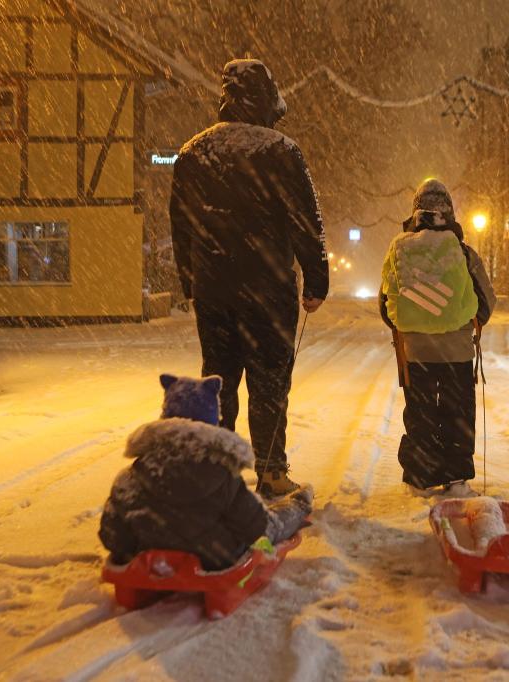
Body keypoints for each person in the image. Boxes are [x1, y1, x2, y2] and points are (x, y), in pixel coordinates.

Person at [169, 59, 328, 497]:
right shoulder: (280, 151)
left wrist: (190, 282)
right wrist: (316, 280)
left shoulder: (192, 154)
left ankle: (220, 467)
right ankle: (272, 470)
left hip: (214, 289)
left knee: (218, 378)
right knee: (270, 381)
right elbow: (305, 221)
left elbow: (180, 226)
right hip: (268, 288)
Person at [98, 374, 313, 570]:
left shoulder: (131, 476)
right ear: (212, 421)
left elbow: (112, 535)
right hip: (214, 557)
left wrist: (139, 545)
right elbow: (256, 527)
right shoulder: (221, 473)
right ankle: (299, 503)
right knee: (271, 524)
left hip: (146, 553)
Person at [379, 180, 496, 497]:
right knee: (457, 415)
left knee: (420, 415)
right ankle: (456, 479)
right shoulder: (463, 253)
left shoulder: (400, 250)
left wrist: (413, 328)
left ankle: (419, 478)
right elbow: (486, 301)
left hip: (415, 354)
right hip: (456, 353)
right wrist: (465, 326)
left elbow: (385, 305)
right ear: (450, 213)